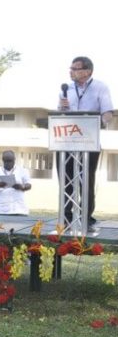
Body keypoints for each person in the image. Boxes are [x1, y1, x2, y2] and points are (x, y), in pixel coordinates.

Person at [57, 56, 113, 232]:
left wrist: (100, 123)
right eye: (71, 68)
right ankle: (65, 218)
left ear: (87, 71)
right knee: (66, 180)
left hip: (89, 141)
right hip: (66, 142)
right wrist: (62, 108)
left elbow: (108, 113)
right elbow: (59, 114)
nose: (71, 71)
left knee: (85, 181)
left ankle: (85, 217)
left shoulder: (100, 87)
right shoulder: (66, 89)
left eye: (75, 68)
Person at [0, 150, 31, 216]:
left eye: (10, 161)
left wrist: (22, 187)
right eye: (6, 161)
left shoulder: (22, 171)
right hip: (1, 210)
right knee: (0, 226)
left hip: (19, 210)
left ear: (14, 159)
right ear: (2, 160)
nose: (8, 163)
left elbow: (29, 185)